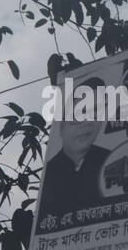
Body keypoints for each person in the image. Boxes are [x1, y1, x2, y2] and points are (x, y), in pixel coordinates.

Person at [37, 79, 111, 222]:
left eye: (96, 113)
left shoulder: (110, 161)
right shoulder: (50, 174)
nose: (88, 122)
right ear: (62, 125)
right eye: (81, 113)